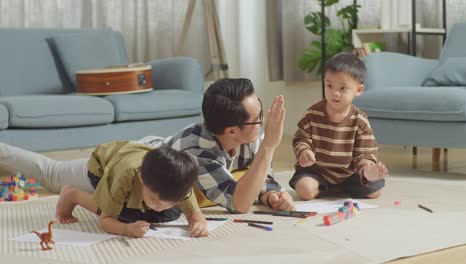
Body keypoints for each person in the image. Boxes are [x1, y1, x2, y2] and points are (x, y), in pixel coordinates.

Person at [138, 78, 295, 213]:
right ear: (232, 131)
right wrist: (269, 146)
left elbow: (259, 172)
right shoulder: (195, 151)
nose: (262, 122)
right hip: (141, 155)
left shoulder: (250, 133)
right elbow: (238, 204)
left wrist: (272, 194)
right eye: (257, 118)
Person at [0, 141, 208, 238]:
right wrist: (126, 230)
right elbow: (107, 220)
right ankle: (72, 193)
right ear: (141, 179)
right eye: (154, 199)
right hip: (103, 165)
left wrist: (197, 222)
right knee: (51, 173)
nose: (160, 207)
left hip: (143, 154)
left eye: (168, 201)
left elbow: (194, 213)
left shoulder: (179, 180)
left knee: (166, 215)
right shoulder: (124, 177)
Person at [289, 53, 388, 200]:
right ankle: (324, 190)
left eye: (342, 88)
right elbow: (301, 138)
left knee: (375, 191)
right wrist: (304, 151)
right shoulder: (312, 114)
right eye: (329, 86)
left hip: (348, 175)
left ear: (358, 90)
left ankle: (341, 188)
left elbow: (365, 153)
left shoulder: (360, 120)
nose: (335, 93)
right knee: (305, 190)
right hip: (317, 172)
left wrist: (367, 170)